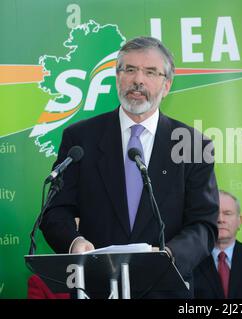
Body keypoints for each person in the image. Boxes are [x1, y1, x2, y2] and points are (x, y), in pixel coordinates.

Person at [40, 36, 219, 298]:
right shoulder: (81, 139)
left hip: (165, 290)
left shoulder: (193, 144)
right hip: (97, 288)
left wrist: (167, 256)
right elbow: (55, 212)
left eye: (150, 72)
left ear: (166, 85)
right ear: (117, 77)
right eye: (130, 69)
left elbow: (203, 225)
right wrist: (74, 242)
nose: (138, 80)